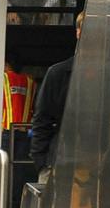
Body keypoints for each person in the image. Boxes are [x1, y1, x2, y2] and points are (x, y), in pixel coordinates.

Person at [31, 14, 79, 164]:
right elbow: (42, 119)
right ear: (78, 32)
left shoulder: (109, 75)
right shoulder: (58, 73)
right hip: (61, 159)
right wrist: (41, 163)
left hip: (97, 163)